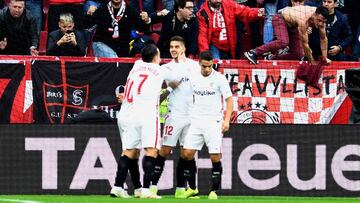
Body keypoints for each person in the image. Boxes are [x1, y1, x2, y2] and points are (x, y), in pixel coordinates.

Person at [110, 43, 179, 199]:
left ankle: (118, 186)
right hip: (147, 114)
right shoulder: (161, 70)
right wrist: (171, 87)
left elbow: (144, 63)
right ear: (155, 57)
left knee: (129, 150)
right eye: (159, 55)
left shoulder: (136, 65)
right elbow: (176, 80)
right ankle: (147, 190)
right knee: (151, 150)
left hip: (128, 113)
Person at [149, 36, 200, 198]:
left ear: (184, 49)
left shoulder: (194, 66)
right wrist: (170, 88)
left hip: (191, 117)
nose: (173, 49)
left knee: (187, 154)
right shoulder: (166, 69)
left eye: (177, 46)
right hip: (174, 116)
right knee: (164, 151)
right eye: (171, 47)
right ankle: (152, 187)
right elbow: (156, 96)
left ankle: (182, 189)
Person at [180, 50, 233, 199]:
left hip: (213, 122)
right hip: (196, 121)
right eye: (204, 66)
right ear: (199, 64)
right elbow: (186, 96)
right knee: (187, 153)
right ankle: (192, 188)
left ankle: (214, 191)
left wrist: (226, 120)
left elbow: (229, 100)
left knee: (215, 156)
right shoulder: (193, 78)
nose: (207, 69)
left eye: (210, 66)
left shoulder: (220, 79)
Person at [245, 5, 331, 64]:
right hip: (280, 18)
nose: (321, 24)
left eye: (323, 21)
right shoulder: (303, 20)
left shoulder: (321, 21)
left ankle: (271, 58)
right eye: (319, 20)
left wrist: (325, 58)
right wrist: (312, 62)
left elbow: (324, 39)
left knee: (298, 55)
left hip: (292, 25)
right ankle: (254, 52)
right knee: (283, 42)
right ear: (314, 15)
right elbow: (305, 45)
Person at [197, 0, 264, 59]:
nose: (218, 1)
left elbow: (244, 11)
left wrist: (257, 12)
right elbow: (203, 36)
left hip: (230, 44)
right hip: (215, 46)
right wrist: (204, 54)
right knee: (215, 65)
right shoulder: (203, 13)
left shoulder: (229, 4)